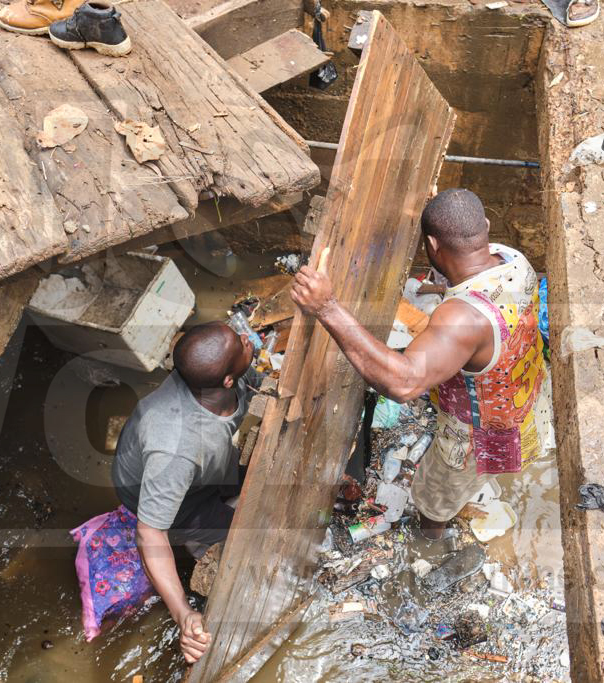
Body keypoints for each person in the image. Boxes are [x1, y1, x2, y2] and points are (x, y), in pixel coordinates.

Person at [290, 188, 553, 540]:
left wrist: (328, 308)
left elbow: (404, 384)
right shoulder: (513, 259)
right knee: (494, 464)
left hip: (479, 436)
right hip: (527, 401)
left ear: (432, 243)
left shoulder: (462, 320)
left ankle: (430, 544)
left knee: (432, 500)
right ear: (485, 227)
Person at [111, 322, 259, 664]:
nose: (246, 338)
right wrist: (183, 613)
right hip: (176, 500)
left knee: (243, 481)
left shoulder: (211, 379)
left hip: (205, 472)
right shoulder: (175, 449)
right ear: (225, 380)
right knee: (245, 546)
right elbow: (149, 532)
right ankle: (193, 544)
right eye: (241, 344)